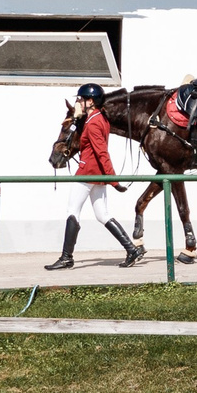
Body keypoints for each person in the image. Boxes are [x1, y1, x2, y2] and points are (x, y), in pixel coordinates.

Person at [47, 82, 142, 270]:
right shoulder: (99, 119)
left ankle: (67, 257)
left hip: (86, 173)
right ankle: (131, 249)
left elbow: (101, 153)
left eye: (81, 100)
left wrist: (114, 180)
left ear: (91, 101)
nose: (78, 103)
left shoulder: (94, 123)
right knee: (102, 214)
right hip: (96, 174)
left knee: (72, 212)